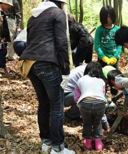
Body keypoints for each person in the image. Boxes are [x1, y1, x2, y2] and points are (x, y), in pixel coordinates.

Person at [19, 0, 75, 153]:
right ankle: (58, 148)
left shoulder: (33, 17)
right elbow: (62, 43)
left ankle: (46, 143)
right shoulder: (57, 13)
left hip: (31, 65)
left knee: (44, 104)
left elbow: (28, 42)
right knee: (57, 105)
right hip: (48, 64)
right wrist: (65, 70)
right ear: (60, 3)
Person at [63, 63, 110, 132]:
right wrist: (105, 124)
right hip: (64, 96)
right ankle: (71, 114)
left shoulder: (90, 70)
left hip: (67, 93)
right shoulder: (88, 79)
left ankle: (74, 113)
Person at [74, 62, 107, 151]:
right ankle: (98, 143)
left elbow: (76, 97)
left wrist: (80, 107)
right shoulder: (101, 81)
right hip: (100, 103)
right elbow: (102, 95)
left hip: (85, 103)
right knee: (97, 123)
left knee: (87, 123)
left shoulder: (80, 80)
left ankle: (88, 142)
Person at [0, 0, 12, 74]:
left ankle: (3, 67)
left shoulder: (2, 12)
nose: (9, 7)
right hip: (1, 37)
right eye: (8, 5)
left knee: (3, 52)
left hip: (2, 37)